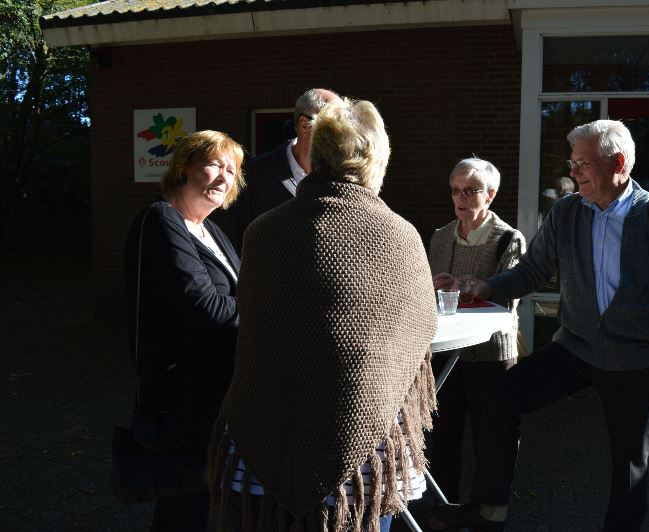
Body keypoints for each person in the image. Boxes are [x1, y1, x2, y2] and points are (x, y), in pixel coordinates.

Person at [434, 120, 649, 532]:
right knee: (500, 397)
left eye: (583, 162)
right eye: (572, 162)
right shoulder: (566, 212)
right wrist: (487, 286)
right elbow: (532, 271)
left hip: (636, 357)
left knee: (630, 463)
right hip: (575, 348)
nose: (574, 171)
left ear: (618, 163)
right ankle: (490, 511)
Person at [207, 97, 439, 532]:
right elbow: (422, 326)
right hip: (362, 474)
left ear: (315, 156)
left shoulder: (264, 231)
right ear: (377, 160)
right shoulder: (401, 235)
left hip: (262, 446)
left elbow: (251, 322)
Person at [124, 130, 245, 531]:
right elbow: (205, 308)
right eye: (213, 164)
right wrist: (264, 310)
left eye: (231, 170)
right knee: (185, 506)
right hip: (184, 396)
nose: (223, 176)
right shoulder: (162, 219)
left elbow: (243, 293)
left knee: (209, 498)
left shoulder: (211, 231)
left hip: (219, 390)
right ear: (184, 167)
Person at [427, 158, 525, 514]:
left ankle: (489, 513)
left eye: (470, 190)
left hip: (491, 354)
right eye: (456, 190)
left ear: (490, 194)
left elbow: (508, 299)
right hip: (445, 351)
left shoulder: (508, 239)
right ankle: (443, 510)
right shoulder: (440, 236)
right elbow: (427, 292)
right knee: (444, 435)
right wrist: (432, 286)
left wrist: (469, 288)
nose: (461, 198)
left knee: (491, 439)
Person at [232, 87, 340, 250]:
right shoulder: (256, 173)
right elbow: (238, 241)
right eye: (335, 125)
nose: (344, 134)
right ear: (305, 126)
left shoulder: (341, 175)